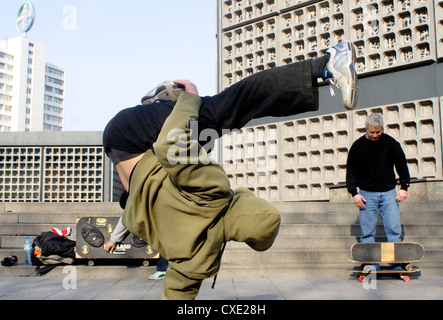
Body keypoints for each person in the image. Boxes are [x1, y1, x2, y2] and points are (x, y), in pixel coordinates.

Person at [103, 41, 359, 300]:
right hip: (125, 154)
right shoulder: (198, 259)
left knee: (229, 107)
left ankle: (324, 65)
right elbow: (177, 292)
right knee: (209, 126)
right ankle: (324, 67)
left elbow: (171, 145)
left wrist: (190, 99)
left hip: (130, 135)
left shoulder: (212, 194)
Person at [346, 113, 411, 249]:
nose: (375, 135)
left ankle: (394, 260)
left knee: (393, 228)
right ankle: (370, 261)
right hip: (366, 194)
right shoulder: (358, 146)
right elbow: (351, 171)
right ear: (366, 129)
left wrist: (404, 187)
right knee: (367, 232)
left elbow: (401, 165)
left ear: (382, 129)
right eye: (372, 132)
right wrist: (354, 193)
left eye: (378, 132)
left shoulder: (391, 143)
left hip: (388, 192)